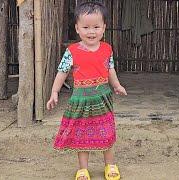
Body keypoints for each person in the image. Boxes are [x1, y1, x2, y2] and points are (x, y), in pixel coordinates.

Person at [46, 2, 127, 180]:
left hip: (102, 99)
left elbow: (110, 69)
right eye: (86, 27)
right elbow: (62, 72)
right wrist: (54, 92)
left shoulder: (107, 49)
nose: (91, 32)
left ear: (104, 28)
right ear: (77, 28)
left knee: (107, 132)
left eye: (96, 27)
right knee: (82, 135)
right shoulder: (72, 51)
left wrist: (117, 85)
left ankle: (110, 165)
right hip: (80, 100)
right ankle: (83, 169)